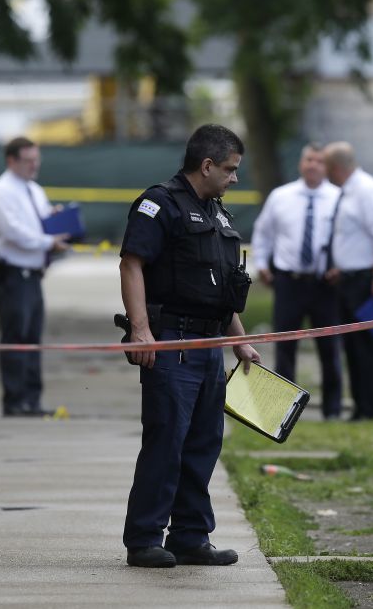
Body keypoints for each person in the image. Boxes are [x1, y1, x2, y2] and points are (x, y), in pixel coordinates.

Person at [119, 124, 261, 569]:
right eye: (230, 169)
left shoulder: (217, 212)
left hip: (210, 345)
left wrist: (239, 342)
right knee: (167, 442)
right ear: (206, 165)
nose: (235, 178)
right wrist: (142, 332)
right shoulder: (158, 204)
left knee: (203, 443)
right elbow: (131, 264)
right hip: (172, 343)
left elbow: (217, 290)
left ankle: (189, 535)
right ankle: (144, 538)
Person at [251, 143, 343, 420]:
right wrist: (262, 264)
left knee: (329, 349)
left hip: (325, 285)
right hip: (289, 282)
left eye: (319, 161)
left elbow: (349, 239)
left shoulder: (339, 198)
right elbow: (263, 233)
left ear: (327, 166)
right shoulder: (281, 196)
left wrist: (342, 266)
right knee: (285, 347)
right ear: (301, 163)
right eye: (308, 160)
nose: (313, 165)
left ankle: (333, 412)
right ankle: (282, 413)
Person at [0, 136, 70, 417]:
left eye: (36, 159)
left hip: (32, 273)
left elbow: (39, 222)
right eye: (28, 160)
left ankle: (31, 400)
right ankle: (14, 400)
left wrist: (57, 221)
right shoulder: (1, 192)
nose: (34, 165)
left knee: (32, 336)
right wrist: (48, 242)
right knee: (15, 335)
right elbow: (14, 232)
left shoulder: (33, 190)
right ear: (11, 161)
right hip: (11, 272)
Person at [322, 142, 373, 421]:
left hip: (366, 280)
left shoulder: (367, 190)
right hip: (348, 279)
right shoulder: (348, 192)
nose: (325, 173)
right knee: (353, 347)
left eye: (327, 168)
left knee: (367, 348)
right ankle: (361, 407)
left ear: (337, 168)